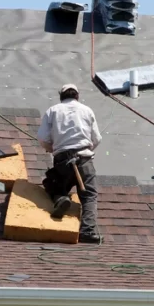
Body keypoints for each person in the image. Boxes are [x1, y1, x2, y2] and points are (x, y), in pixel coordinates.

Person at [37, 83, 103, 244]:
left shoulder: (52, 111)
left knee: (53, 185)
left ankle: (61, 198)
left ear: (61, 97)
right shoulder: (87, 110)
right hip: (84, 159)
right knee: (89, 195)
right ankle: (87, 231)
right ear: (77, 96)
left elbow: (42, 138)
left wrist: (54, 149)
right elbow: (97, 139)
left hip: (63, 160)